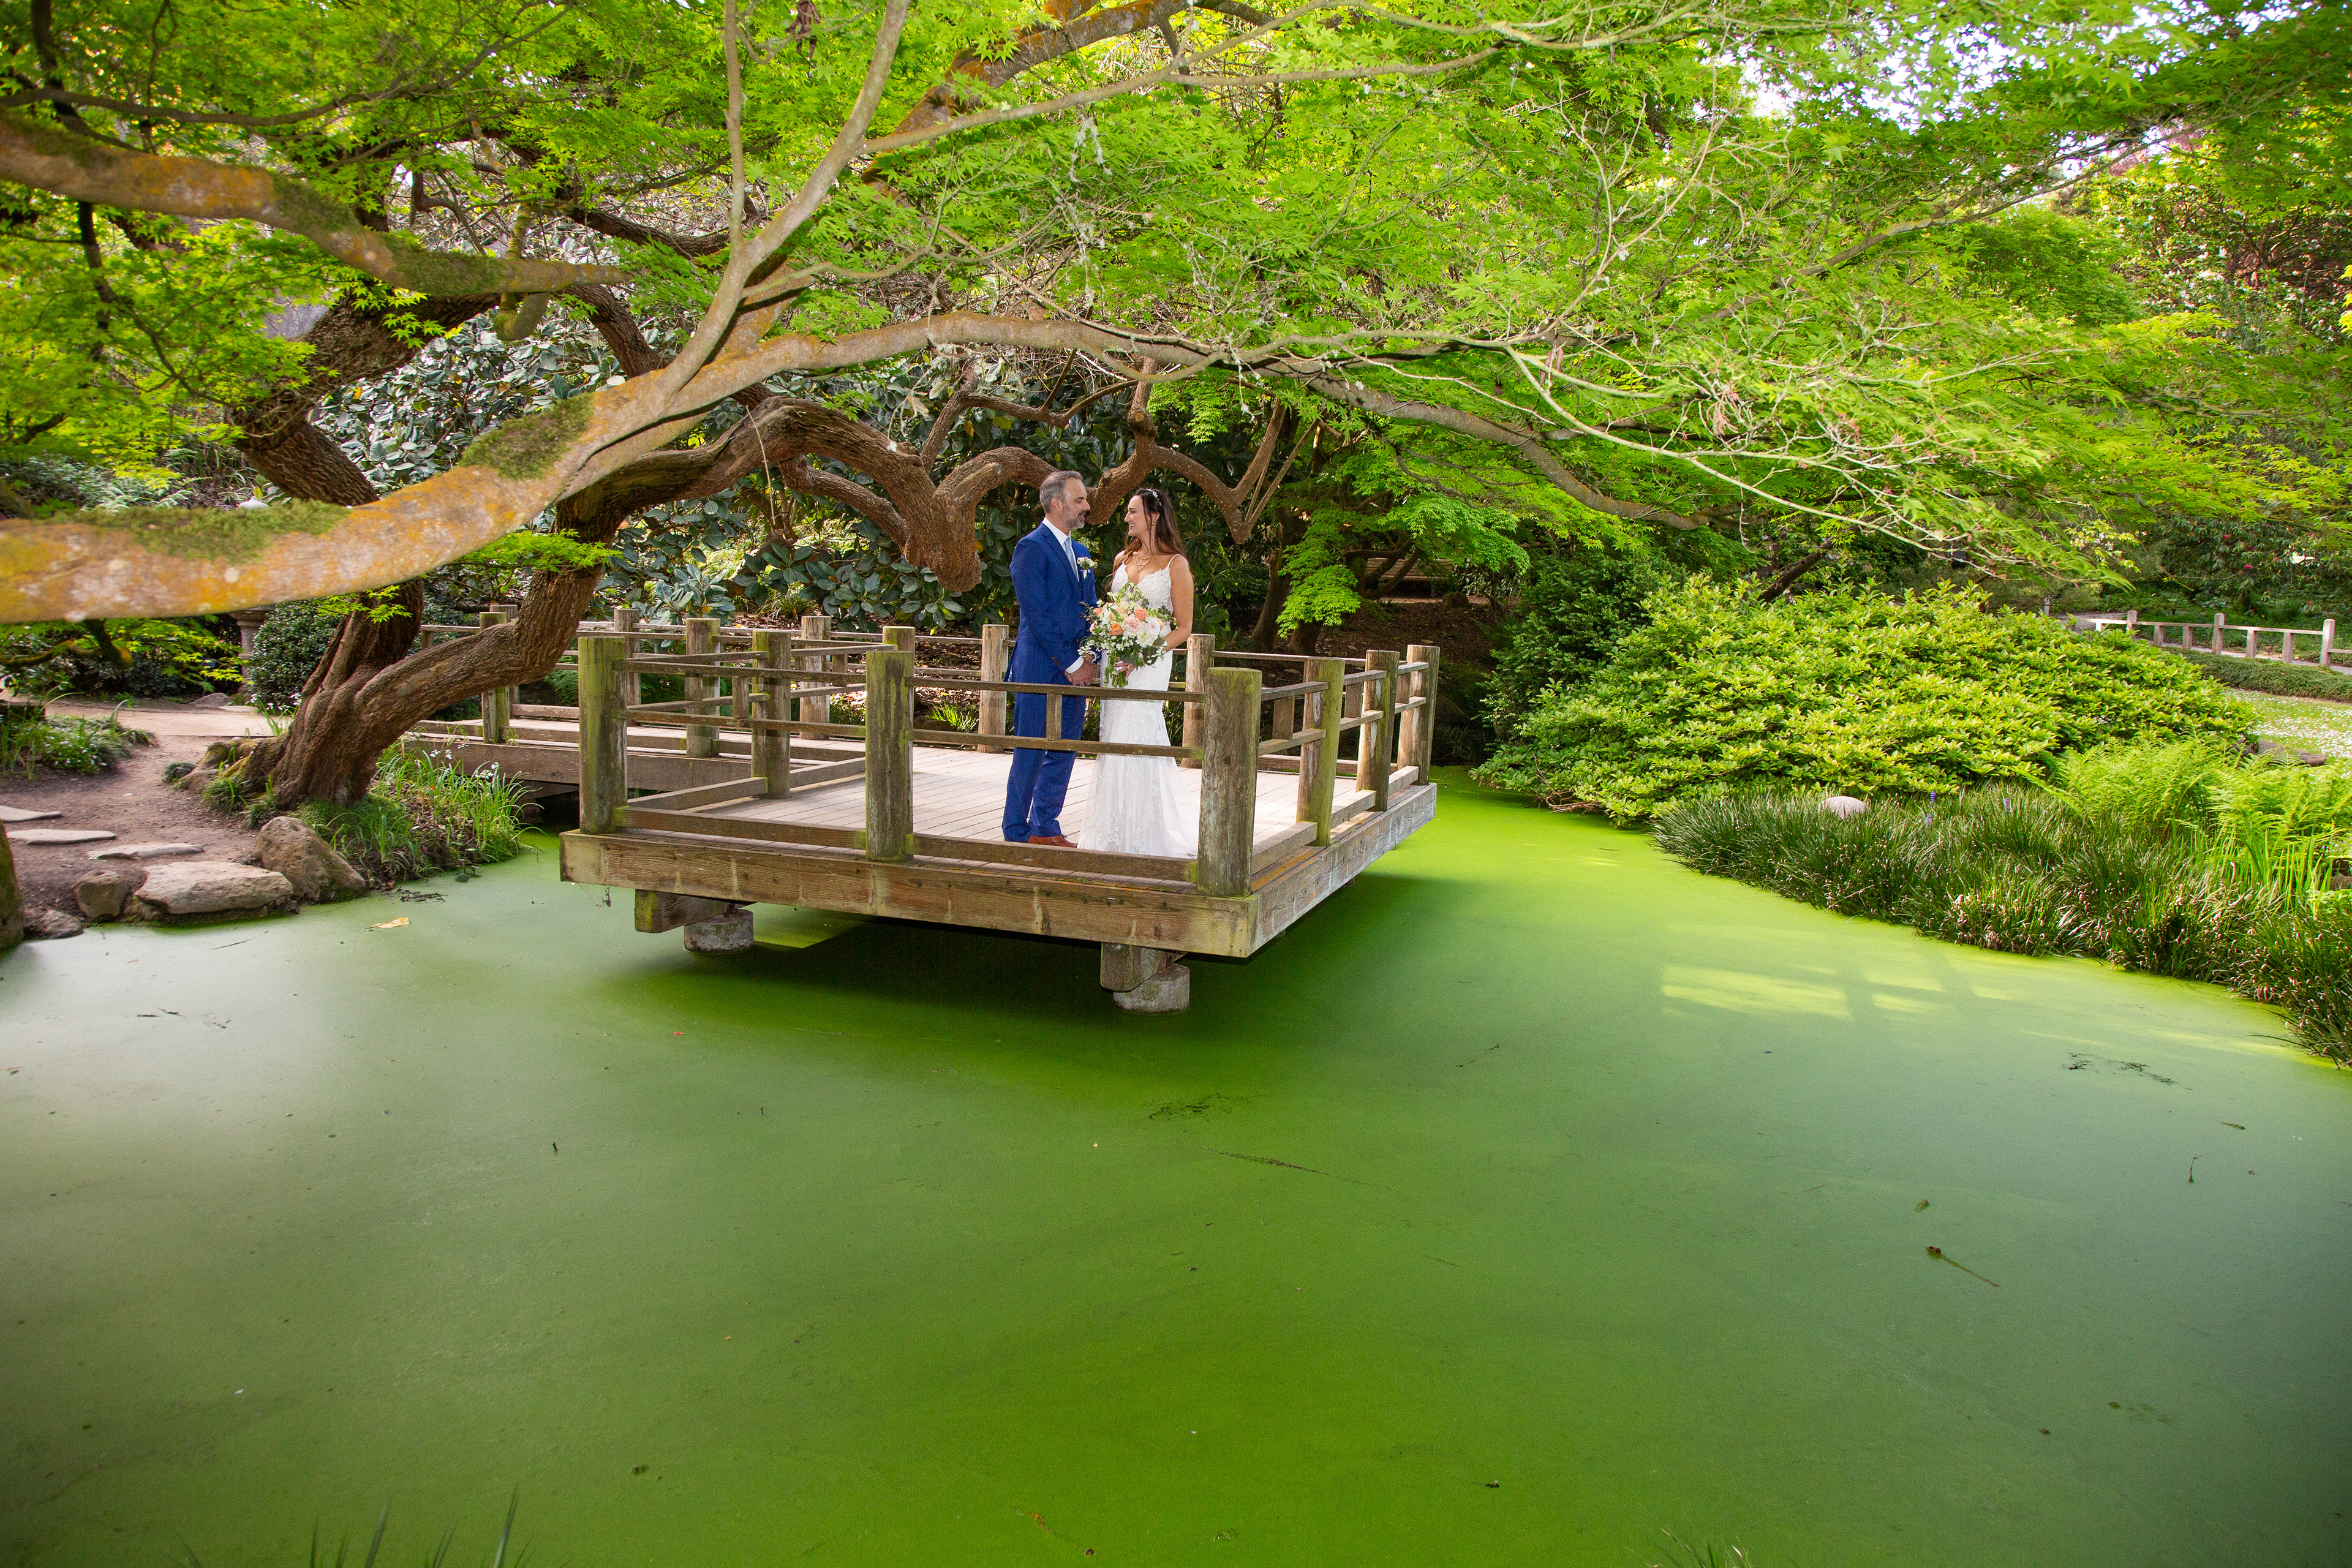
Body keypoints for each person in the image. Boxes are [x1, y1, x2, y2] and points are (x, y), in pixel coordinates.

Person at [1078, 486, 1197, 858]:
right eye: (1127, 512)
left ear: (1154, 515)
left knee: (1139, 732)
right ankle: (1113, 831)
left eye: (1132, 512)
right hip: (1116, 663)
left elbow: (1183, 628)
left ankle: (1146, 834)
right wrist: (1107, 634)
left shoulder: (1176, 564)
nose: (1127, 518)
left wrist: (1143, 652)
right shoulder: (1120, 559)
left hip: (1149, 663)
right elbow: (1112, 611)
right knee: (1113, 734)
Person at [1001, 469, 1099, 846]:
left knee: (1064, 750)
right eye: (1080, 500)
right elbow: (1037, 615)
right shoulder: (1031, 548)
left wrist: (1089, 656)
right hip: (1039, 670)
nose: (1086, 507)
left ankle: (1046, 826)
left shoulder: (1081, 553)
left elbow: (1091, 611)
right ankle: (1016, 831)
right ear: (1057, 504)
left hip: (1076, 672)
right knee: (1031, 750)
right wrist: (1073, 664)